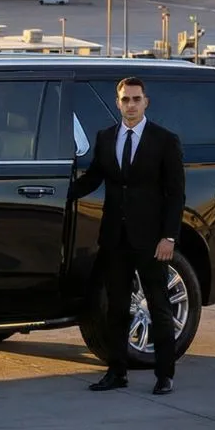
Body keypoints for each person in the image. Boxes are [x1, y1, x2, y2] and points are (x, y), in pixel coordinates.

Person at [70, 76, 186, 395]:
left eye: (136, 99)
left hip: (151, 240)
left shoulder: (165, 140)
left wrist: (169, 238)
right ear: (117, 102)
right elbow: (94, 178)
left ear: (146, 102)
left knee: (158, 307)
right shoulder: (106, 138)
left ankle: (164, 375)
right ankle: (116, 371)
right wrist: (61, 192)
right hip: (115, 239)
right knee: (117, 308)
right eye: (125, 99)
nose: (131, 105)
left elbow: (176, 195)